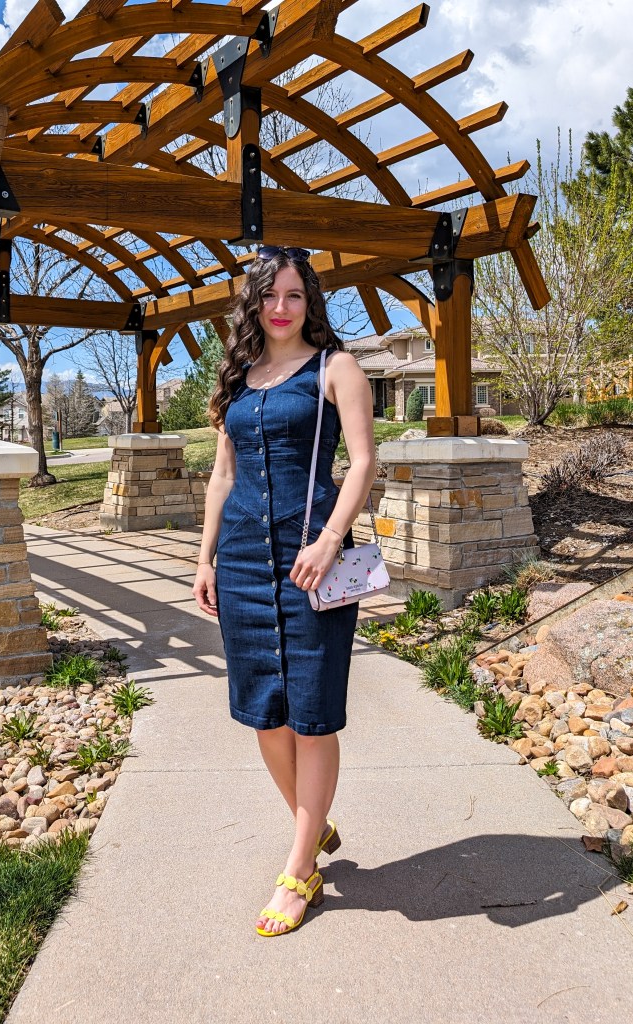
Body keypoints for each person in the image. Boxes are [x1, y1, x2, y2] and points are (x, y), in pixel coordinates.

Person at [192, 245, 376, 936]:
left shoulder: (337, 368)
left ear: (310, 302)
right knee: (264, 712)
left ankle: (300, 870)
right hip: (240, 558)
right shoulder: (236, 378)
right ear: (253, 303)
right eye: (269, 295)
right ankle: (315, 820)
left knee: (311, 712)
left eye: (294, 295)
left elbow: (362, 460)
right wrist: (204, 556)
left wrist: (330, 539)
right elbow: (221, 477)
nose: (280, 307)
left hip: (313, 562)